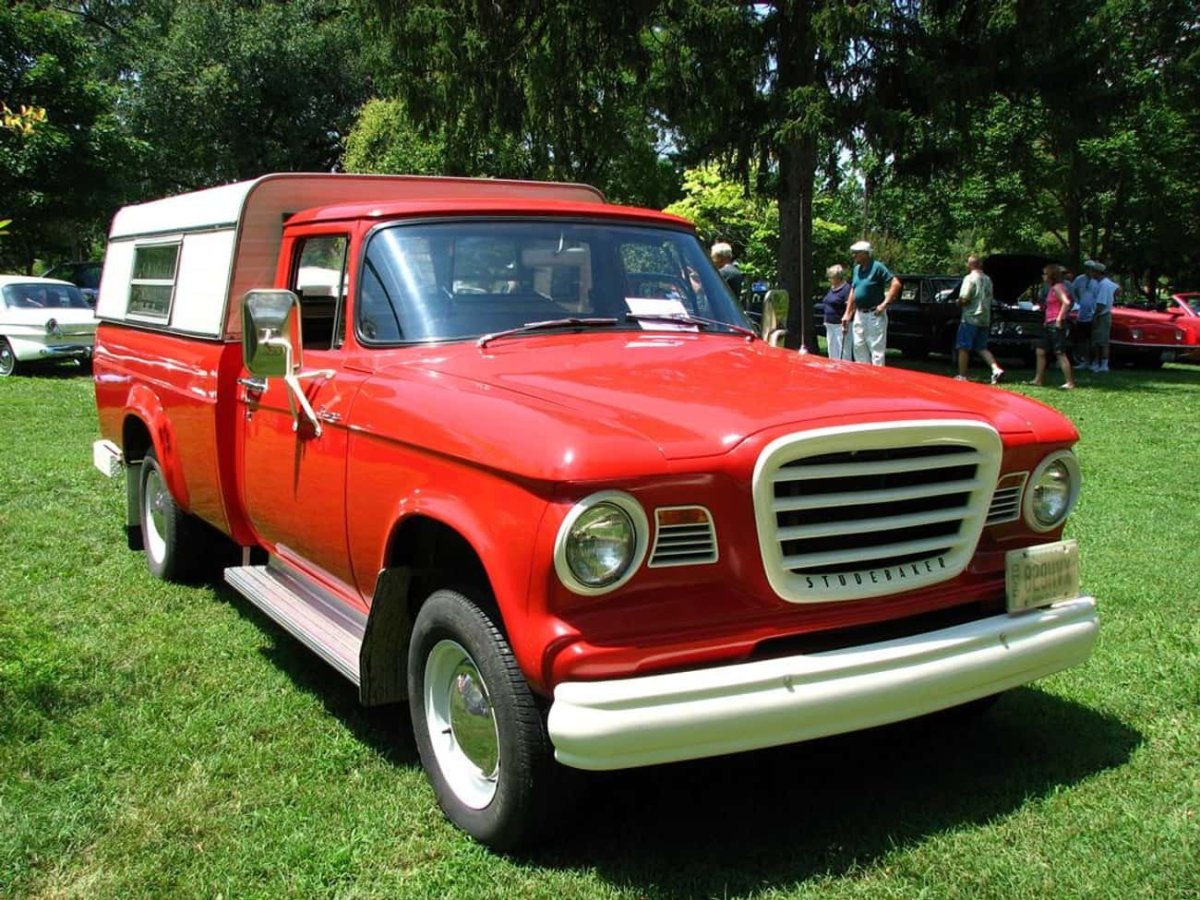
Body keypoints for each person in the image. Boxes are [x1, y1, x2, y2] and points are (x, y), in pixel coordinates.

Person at [841, 240, 901, 365]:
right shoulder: (857, 269)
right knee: (858, 347)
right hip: (859, 314)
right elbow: (854, 290)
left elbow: (896, 284)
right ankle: (864, 376)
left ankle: (877, 376)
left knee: (876, 351)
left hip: (874, 314)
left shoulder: (877, 267)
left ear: (865, 253)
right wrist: (847, 313)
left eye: (856, 253)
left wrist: (884, 304)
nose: (853, 255)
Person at [953, 254, 1004, 383]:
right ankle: (996, 369)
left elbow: (965, 298)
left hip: (970, 317)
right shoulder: (988, 279)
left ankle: (962, 375)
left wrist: (957, 302)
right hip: (985, 317)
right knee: (981, 347)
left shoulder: (969, 278)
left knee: (963, 347)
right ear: (980, 264)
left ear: (969, 265)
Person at [1030, 264, 1076, 389]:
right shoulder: (1051, 288)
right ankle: (1038, 380)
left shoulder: (1057, 287)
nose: (1043, 276)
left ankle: (1070, 382)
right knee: (1040, 351)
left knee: (1060, 353)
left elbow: (1066, 302)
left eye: (1045, 274)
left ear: (1051, 275)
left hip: (1056, 324)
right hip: (1049, 323)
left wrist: (1059, 319)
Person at [1086, 260, 1120, 372]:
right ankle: (1098, 363)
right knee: (1097, 340)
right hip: (1103, 314)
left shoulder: (1104, 285)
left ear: (1097, 272)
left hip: (1102, 315)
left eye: (1093, 271)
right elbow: (1118, 289)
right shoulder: (1106, 283)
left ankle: (1103, 365)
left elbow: (1101, 304)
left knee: (1102, 342)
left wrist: (1095, 316)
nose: (1091, 273)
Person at [1070, 261, 1099, 366]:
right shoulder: (1079, 279)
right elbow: (1072, 290)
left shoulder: (1097, 281)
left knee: (1093, 339)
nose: (1089, 270)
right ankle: (1085, 361)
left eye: (1091, 268)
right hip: (1082, 313)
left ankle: (1095, 361)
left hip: (1093, 313)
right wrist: (1077, 301)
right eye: (1087, 268)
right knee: (1082, 339)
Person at [821, 264, 850, 360]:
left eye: (831, 277)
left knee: (843, 353)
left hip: (840, 326)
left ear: (838, 278)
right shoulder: (832, 288)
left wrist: (846, 322)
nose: (829, 279)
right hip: (830, 325)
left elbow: (849, 307)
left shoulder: (846, 289)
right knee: (832, 352)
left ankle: (844, 369)